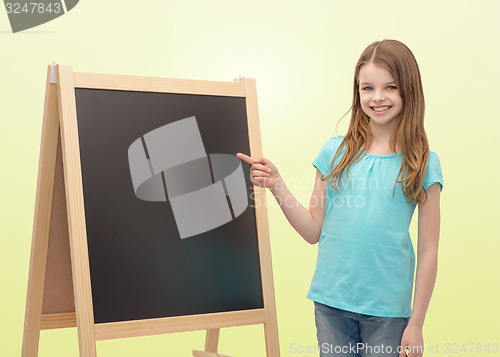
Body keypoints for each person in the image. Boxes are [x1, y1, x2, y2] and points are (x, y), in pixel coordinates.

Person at [237, 39, 443, 357]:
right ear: (356, 91)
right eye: (367, 88)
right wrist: (277, 185)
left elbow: (429, 250)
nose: (377, 97)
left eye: (390, 87)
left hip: (388, 312)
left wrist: (416, 323)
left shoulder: (423, 163)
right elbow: (312, 230)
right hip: (331, 303)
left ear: (409, 90)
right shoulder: (335, 152)